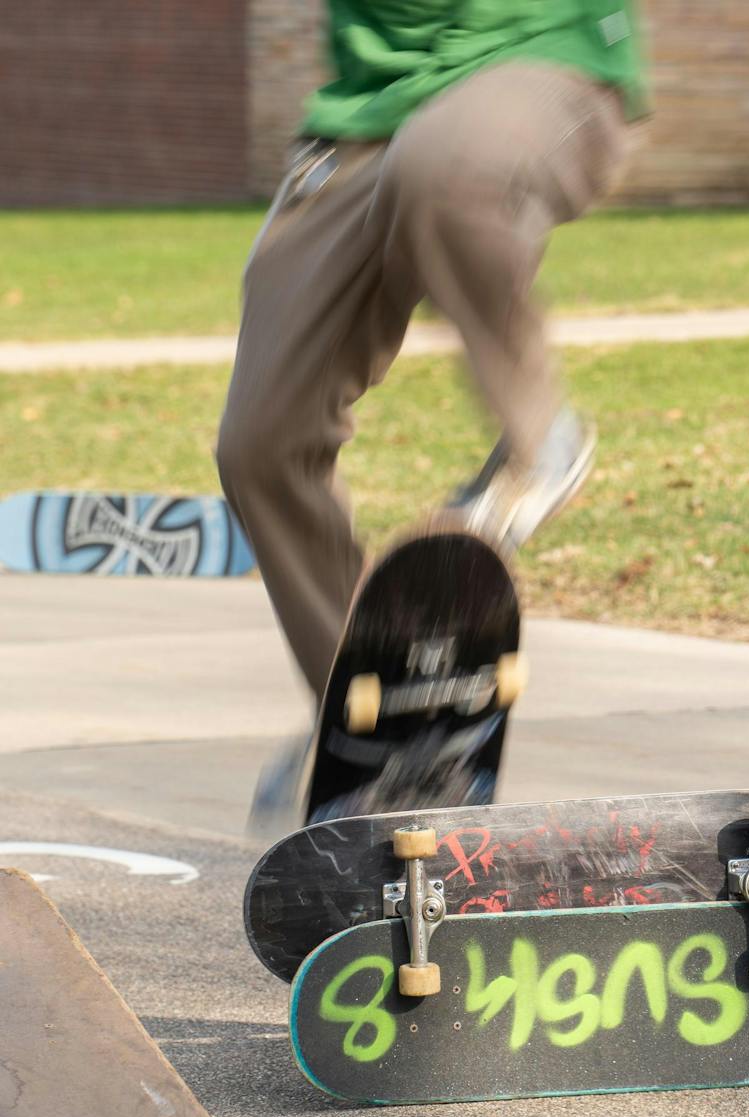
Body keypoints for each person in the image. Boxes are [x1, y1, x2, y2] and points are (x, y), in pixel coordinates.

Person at [217, 2, 648, 823]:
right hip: (362, 115)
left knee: (449, 167)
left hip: (536, 62)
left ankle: (538, 437)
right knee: (261, 444)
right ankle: (368, 718)